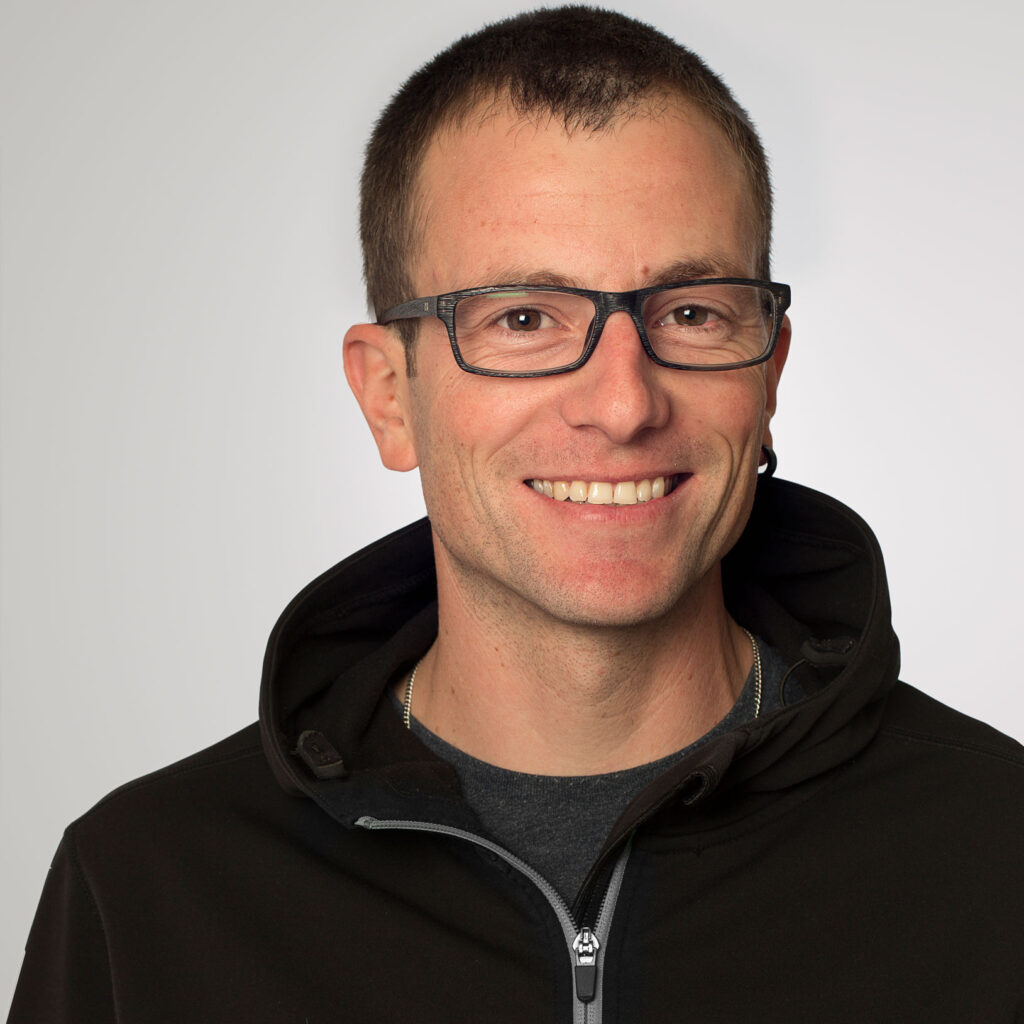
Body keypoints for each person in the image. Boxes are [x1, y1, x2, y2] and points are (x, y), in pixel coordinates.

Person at [8, 7, 1023, 1021]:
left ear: (768, 375)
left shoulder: (997, 851)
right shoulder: (148, 892)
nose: (623, 405)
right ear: (388, 395)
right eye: (524, 318)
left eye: (691, 313)